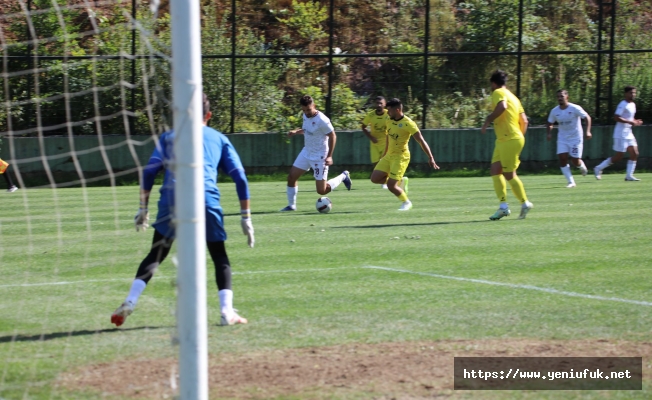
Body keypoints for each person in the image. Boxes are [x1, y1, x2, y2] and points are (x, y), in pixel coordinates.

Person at [111, 94, 254, 327]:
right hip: (205, 198)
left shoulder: (168, 137)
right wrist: (245, 217)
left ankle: (130, 301)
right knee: (219, 255)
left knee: (156, 254)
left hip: (172, 197)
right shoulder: (217, 138)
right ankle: (226, 312)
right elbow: (240, 177)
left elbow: (148, 172)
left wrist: (142, 209)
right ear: (208, 115)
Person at [280, 95, 352, 211]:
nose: (306, 112)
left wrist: (329, 156)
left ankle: (343, 176)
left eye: (308, 109)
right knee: (291, 177)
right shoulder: (305, 115)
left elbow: (333, 135)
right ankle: (291, 205)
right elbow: (307, 129)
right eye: (303, 110)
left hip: (320, 156)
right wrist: (296, 132)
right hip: (306, 152)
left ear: (314, 106)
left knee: (321, 191)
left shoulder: (322, 120)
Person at [481, 70, 533, 220]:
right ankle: (503, 207)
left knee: (509, 174)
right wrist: (518, 138)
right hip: (507, 140)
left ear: (493, 83)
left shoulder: (498, 92)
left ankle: (525, 203)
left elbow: (502, 107)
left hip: (508, 139)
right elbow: (525, 121)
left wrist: (488, 120)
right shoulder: (514, 97)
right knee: (495, 170)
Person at [370, 98, 439, 210]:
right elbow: (388, 137)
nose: (388, 112)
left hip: (401, 157)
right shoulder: (389, 120)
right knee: (374, 178)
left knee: (391, 185)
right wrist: (384, 153)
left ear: (397, 110)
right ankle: (401, 181)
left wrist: (431, 157)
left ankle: (406, 202)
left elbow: (421, 140)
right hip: (389, 155)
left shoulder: (408, 124)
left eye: (390, 110)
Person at [594, 86, 644, 181]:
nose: (633, 95)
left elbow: (630, 118)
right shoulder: (623, 104)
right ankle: (598, 168)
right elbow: (616, 117)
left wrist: (635, 121)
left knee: (635, 153)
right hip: (620, 133)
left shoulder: (633, 104)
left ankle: (629, 175)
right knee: (619, 156)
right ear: (626, 94)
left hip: (628, 133)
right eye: (631, 93)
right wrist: (630, 122)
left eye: (634, 93)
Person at [546, 89, 592, 188]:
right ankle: (571, 182)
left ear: (567, 97)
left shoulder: (575, 108)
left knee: (575, 161)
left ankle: (581, 166)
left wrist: (588, 131)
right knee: (562, 158)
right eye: (558, 97)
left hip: (575, 138)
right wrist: (549, 133)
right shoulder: (554, 111)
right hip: (562, 138)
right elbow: (550, 123)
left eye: (561, 96)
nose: (559, 98)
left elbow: (587, 117)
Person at [361, 96, 390, 189]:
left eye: (381, 103)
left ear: (385, 104)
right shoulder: (371, 115)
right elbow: (363, 126)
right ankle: (387, 181)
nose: (379, 105)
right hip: (374, 143)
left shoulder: (388, 114)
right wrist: (371, 137)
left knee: (384, 163)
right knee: (375, 164)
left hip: (386, 142)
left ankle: (385, 183)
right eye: (377, 103)